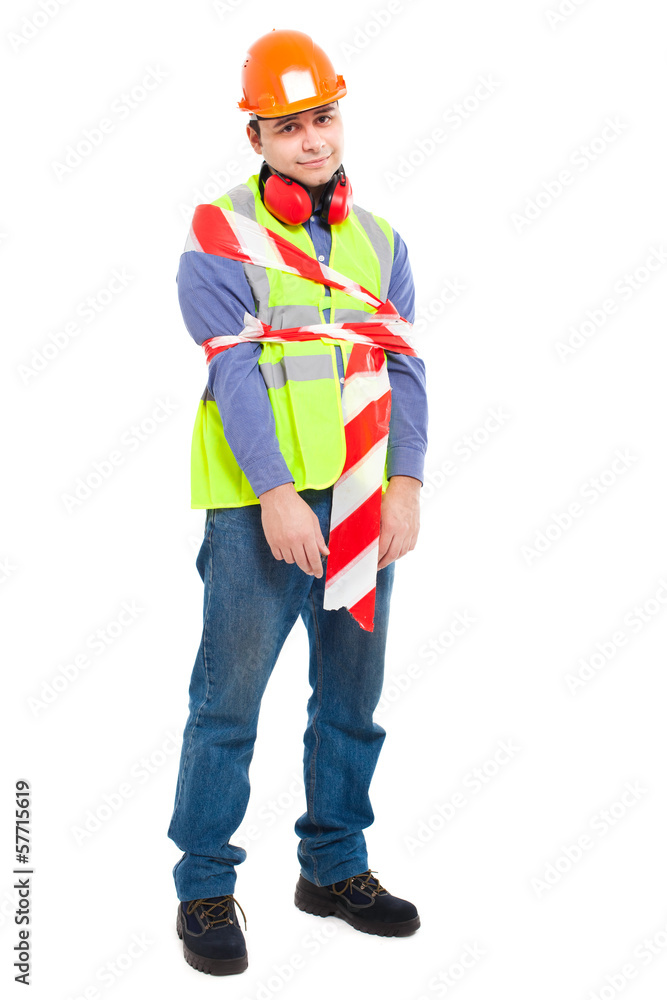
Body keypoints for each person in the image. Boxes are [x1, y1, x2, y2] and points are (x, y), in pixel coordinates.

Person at [167, 28, 428, 976]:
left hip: (361, 495)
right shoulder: (220, 234)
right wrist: (276, 496)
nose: (312, 140)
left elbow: (404, 367)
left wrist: (405, 484)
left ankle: (334, 867)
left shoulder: (380, 239)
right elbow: (234, 377)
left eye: (322, 117)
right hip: (254, 509)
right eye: (288, 126)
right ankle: (203, 885)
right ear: (257, 137)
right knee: (227, 702)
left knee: (352, 698)